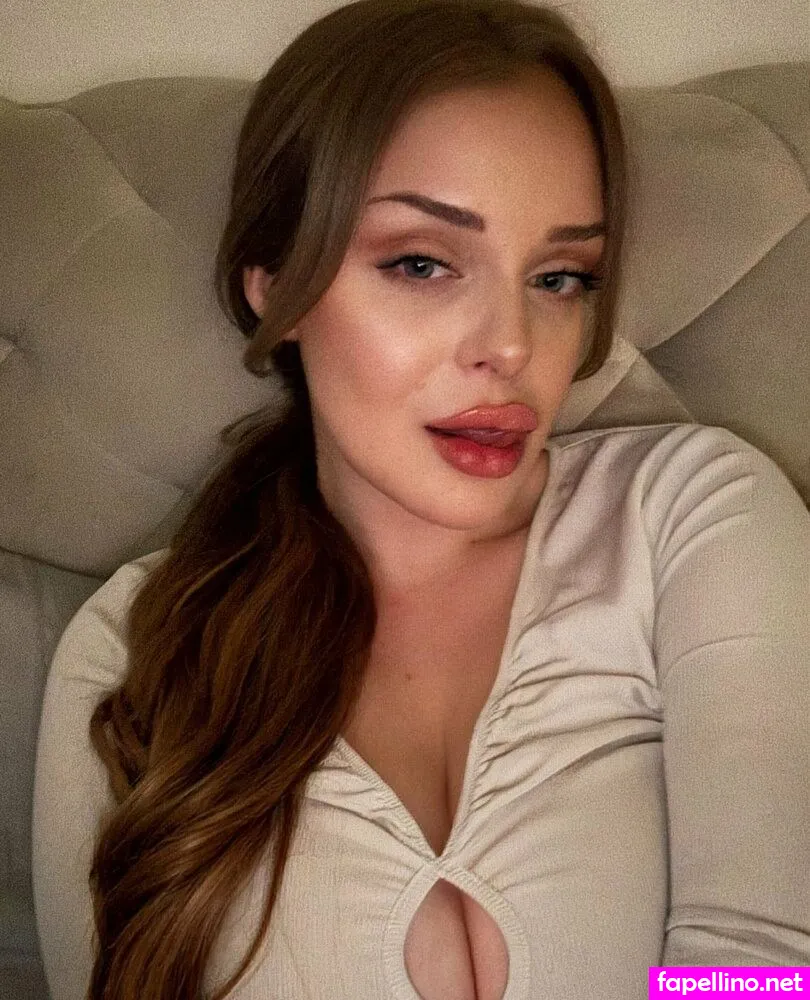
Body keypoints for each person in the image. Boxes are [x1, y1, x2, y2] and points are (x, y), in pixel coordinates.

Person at [32, 0, 810, 998]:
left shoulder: (692, 516)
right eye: (421, 263)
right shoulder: (135, 647)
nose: (513, 346)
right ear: (277, 286)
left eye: (560, 277)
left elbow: (760, 965)